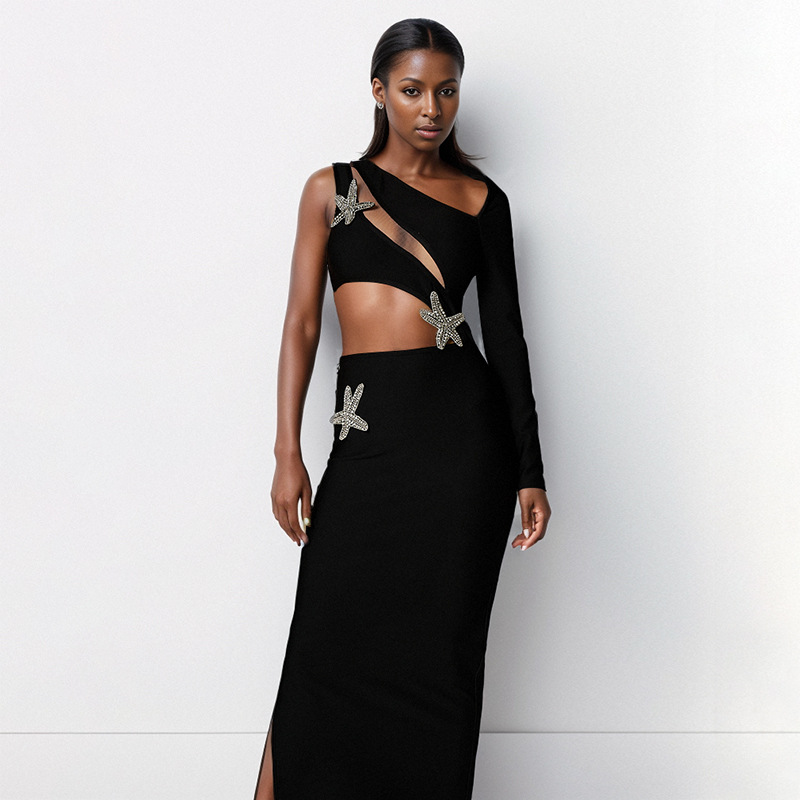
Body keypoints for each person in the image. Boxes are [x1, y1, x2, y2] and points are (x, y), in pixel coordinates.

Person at [254, 18, 551, 800]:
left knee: (438, 660)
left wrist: (529, 469)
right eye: (413, 90)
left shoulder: (483, 201)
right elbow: (301, 325)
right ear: (379, 91)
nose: (432, 108)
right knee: (323, 643)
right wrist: (287, 452)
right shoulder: (331, 190)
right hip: (368, 438)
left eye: (447, 91)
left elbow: (507, 339)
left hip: (464, 452)